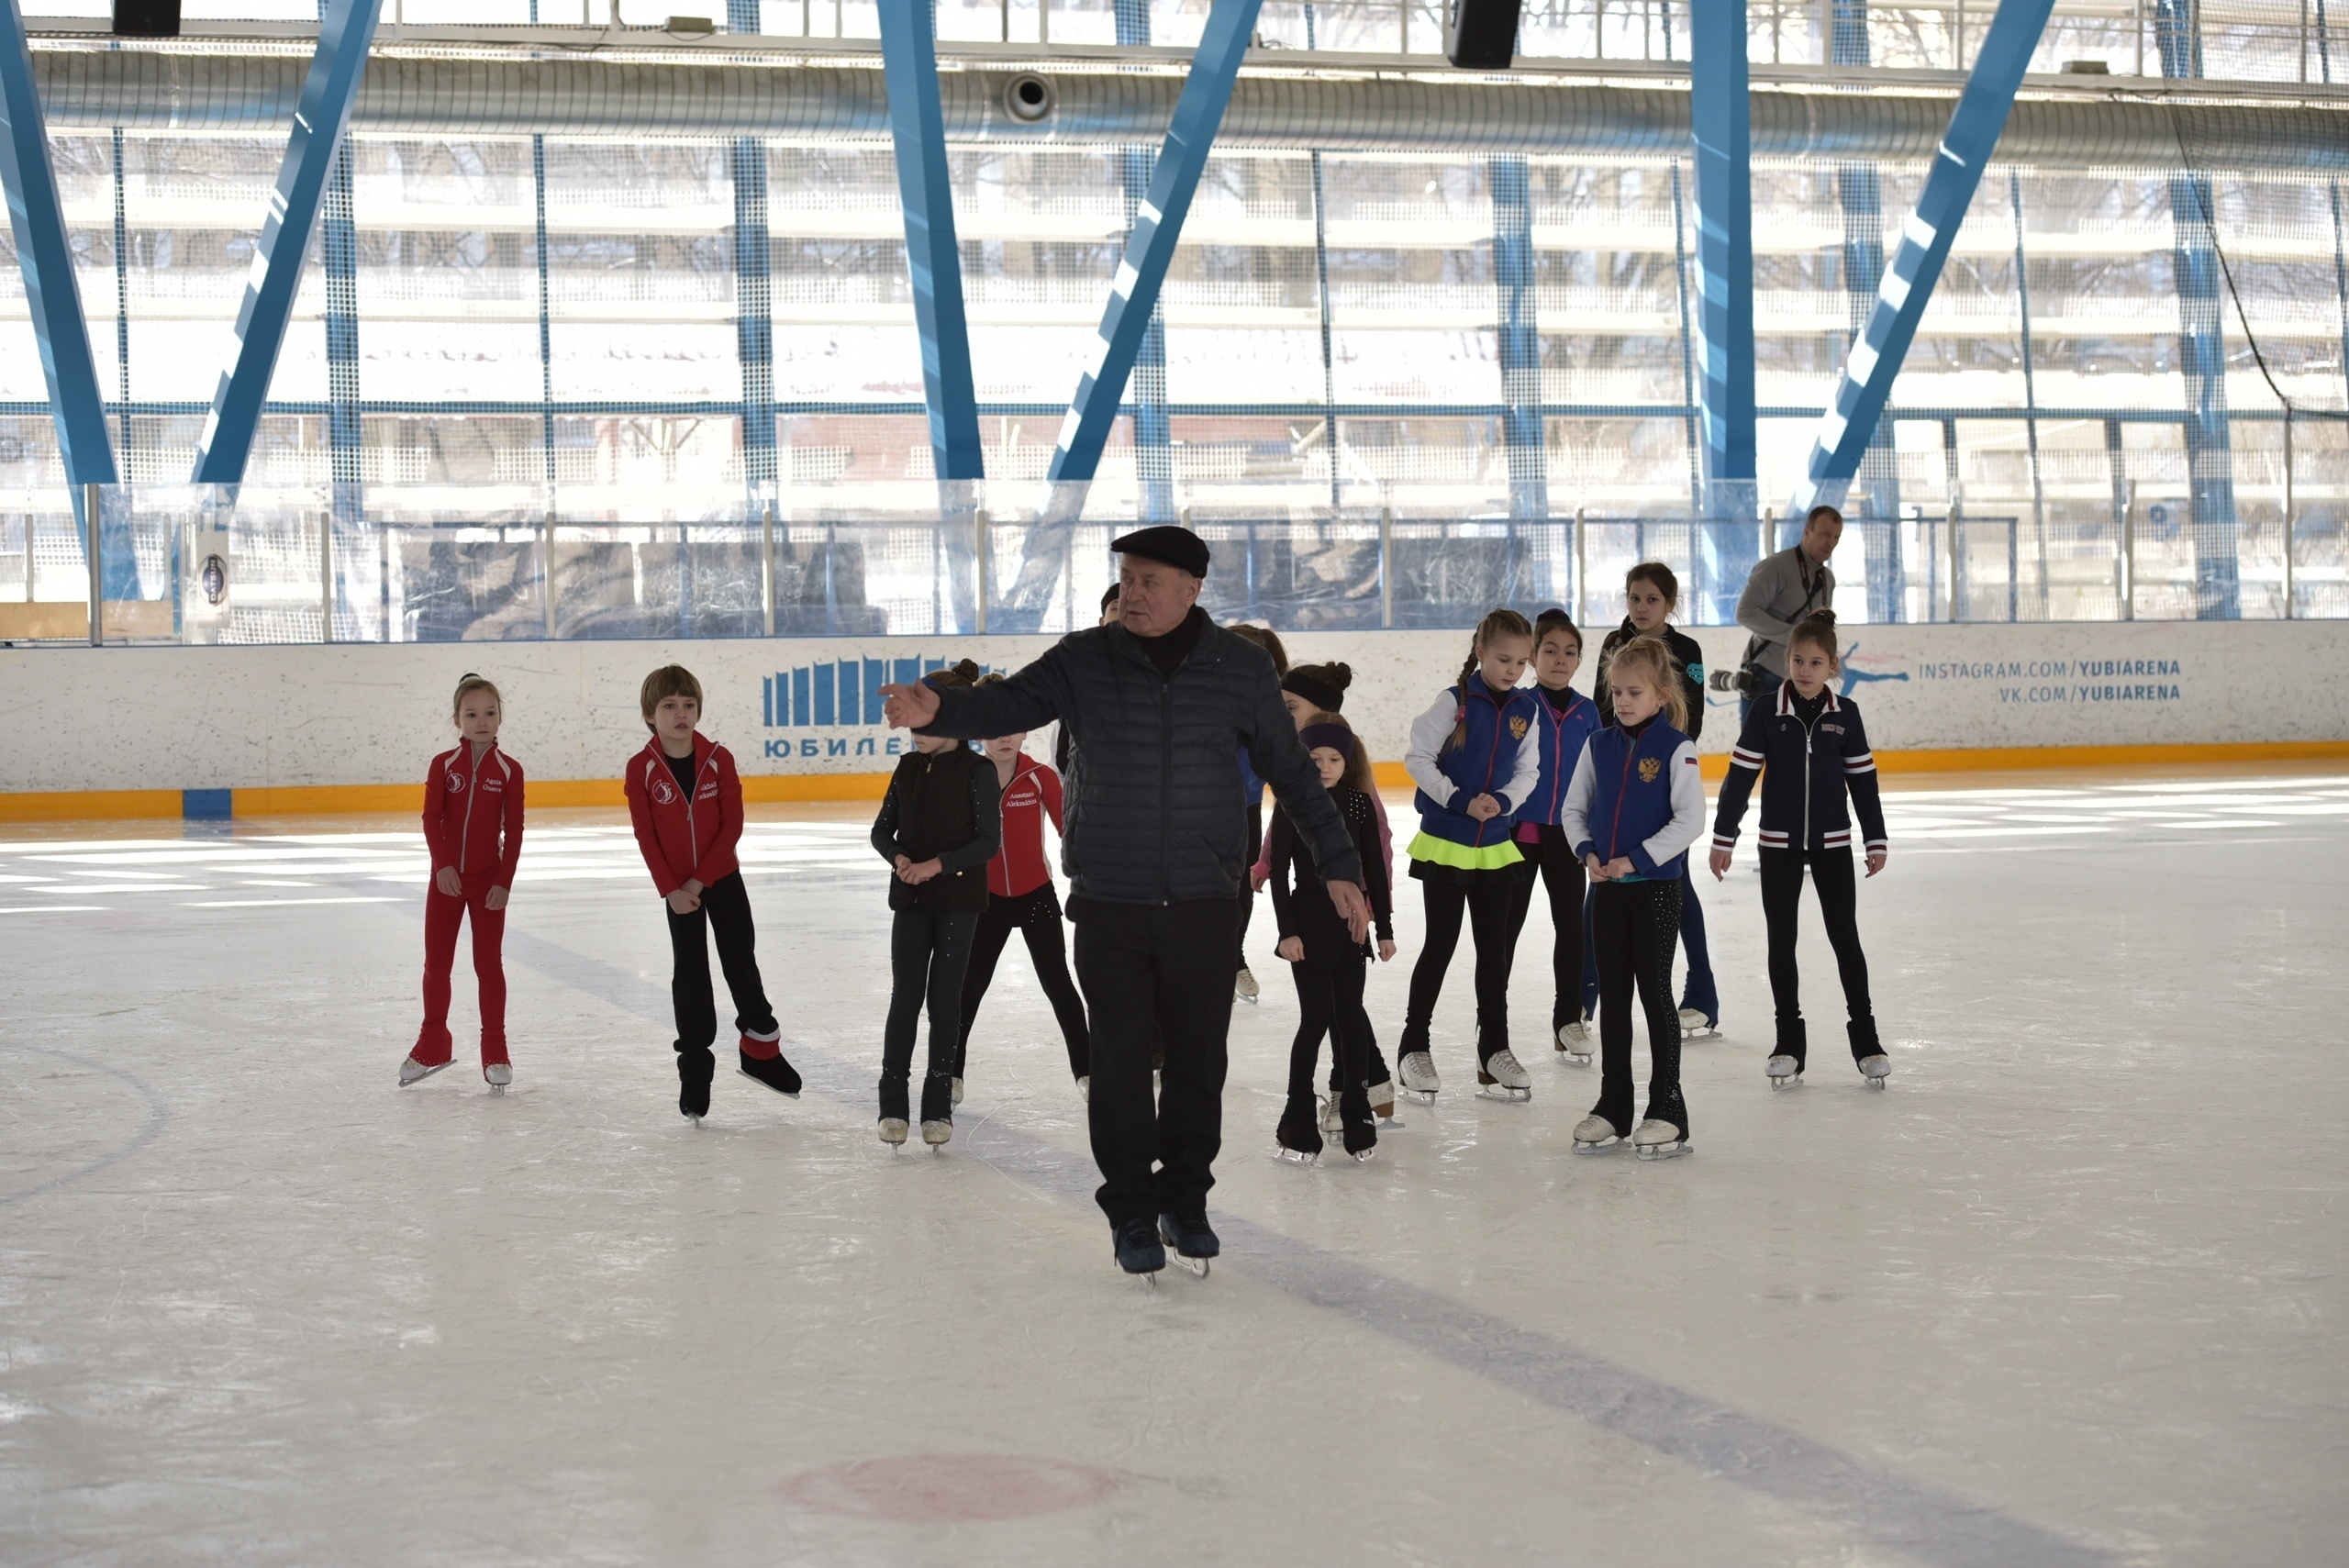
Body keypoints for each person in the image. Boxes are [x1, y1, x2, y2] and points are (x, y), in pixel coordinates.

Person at [880, 525, 1367, 1281]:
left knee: (1198, 1061)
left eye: (1150, 581)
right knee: (1119, 1063)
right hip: (1110, 895)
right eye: (1127, 579)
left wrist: (1339, 863)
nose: (1133, 593)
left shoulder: (1238, 669)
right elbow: (1009, 701)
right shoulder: (1085, 658)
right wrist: (936, 709)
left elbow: (1295, 777)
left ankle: (1186, 1199)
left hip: (1207, 897)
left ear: (1192, 589)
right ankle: (1132, 1210)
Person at [1709, 611, 1892, 1088]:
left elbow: (1863, 784)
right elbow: (1740, 779)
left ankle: (1867, 1041)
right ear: (1787, 661)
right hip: (1779, 846)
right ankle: (1788, 1041)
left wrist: (1875, 838)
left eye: (1815, 662)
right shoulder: (1767, 712)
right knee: (1781, 940)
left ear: (1832, 665)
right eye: (1796, 660)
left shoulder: (1845, 714)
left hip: (1833, 845)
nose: (1804, 670)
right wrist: (1724, 837)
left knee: (1845, 940)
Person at [626, 663, 801, 1122]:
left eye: (688, 705)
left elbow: (731, 826)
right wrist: (671, 889)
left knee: (741, 963)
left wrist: (699, 881)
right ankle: (695, 1072)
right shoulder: (640, 768)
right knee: (691, 976)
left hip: (721, 879)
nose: (681, 713)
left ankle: (761, 1053)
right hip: (676, 891)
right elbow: (645, 834)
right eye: (669, 706)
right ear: (650, 714)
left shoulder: (719, 758)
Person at [1563, 636, 1706, 1159]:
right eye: (1617, 692)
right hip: (1606, 892)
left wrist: (1637, 859)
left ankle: (1667, 1107)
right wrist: (1587, 852)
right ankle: (1612, 1105)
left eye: (1635, 692)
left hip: (1655, 892)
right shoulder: (1597, 744)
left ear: (1661, 695)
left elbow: (1690, 820)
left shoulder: (1676, 748)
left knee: (1654, 994)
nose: (1623, 701)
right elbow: (1573, 808)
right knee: (1614, 997)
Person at [1396, 607, 1541, 1105]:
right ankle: (1414, 1045)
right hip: (1447, 840)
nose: (1513, 670)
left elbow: (1529, 772)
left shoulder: (1527, 709)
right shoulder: (1453, 701)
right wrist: (1460, 800)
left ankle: (1493, 1049)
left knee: (1494, 949)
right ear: (1480, 652)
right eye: (1504, 659)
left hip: (1496, 844)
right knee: (1441, 942)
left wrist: (1501, 803)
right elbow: (1417, 758)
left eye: (1522, 663)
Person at [1254, 660, 1398, 1121]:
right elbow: (1288, 829)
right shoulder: (1301, 768)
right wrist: (1263, 862)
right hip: (1311, 912)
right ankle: (1364, 1083)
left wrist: (1373, 905)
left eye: (1290, 707)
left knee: (1343, 1007)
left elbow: (1378, 848)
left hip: (1350, 910)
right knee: (1332, 1006)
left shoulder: (1353, 789)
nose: (1281, 716)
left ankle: (1356, 1085)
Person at [870, 662, 1001, 1149]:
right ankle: (891, 1105)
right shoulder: (906, 768)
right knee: (905, 996)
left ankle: (937, 1106)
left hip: (958, 902)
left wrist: (937, 865)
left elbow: (988, 841)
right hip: (911, 899)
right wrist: (900, 855)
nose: (916, 732)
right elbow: (881, 830)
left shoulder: (978, 771)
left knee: (944, 999)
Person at [1592, 562, 1721, 1039]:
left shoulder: (1687, 651)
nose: (1641, 607)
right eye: (1634, 598)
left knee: (1676, 885)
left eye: (1651, 599)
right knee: (1602, 886)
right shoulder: (1612, 644)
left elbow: (1696, 718)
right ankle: (1587, 995)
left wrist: (1656, 761)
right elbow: (1601, 711)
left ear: (1671, 603)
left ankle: (1702, 993)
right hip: (1616, 776)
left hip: (1662, 779)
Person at [956, 683, 1090, 1103]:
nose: (1003, 737)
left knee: (1059, 983)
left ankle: (1087, 1073)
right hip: (984, 901)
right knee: (970, 988)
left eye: (1011, 726)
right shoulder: (965, 778)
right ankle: (951, 1074)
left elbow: (1071, 832)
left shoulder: (1040, 776)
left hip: (1036, 897)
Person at [402, 673, 524, 1092]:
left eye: (490, 712)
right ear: (458, 719)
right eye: (472, 714)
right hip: (447, 883)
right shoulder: (443, 765)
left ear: (500, 716)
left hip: (489, 884)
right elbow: (430, 818)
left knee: (488, 966)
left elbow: (517, 830)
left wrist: (504, 880)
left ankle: (496, 1051)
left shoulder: (510, 771)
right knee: (436, 966)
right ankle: (433, 1042)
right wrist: (443, 866)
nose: (482, 721)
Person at [1504, 610, 1601, 1062]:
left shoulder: (1589, 711)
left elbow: (1598, 775)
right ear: (1532, 657)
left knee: (1572, 929)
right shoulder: (1517, 704)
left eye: (1569, 652)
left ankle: (1568, 1019)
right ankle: (1493, 1019)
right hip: (1519, 833)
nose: (1559, 660)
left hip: (1567, 835)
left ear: (1580, 660)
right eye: (1549, 650)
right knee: (1506, 929)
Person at [1227, 623, 1290, 1006]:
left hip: (1248, 805)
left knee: (1241, 885)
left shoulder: (1273, 706)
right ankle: (1213, 960)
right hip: (1199, 807)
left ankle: (1233, 958)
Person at [1734, 504, 1842, 725]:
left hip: (1804, 682)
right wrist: (1795, 639)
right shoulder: (1777, 566)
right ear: (1807, 532)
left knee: (1796, 755)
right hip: (1765, 676)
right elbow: (1745, 612)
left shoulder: (1827, 580)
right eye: (1824, 534)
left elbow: (1822, 631)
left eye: (1836, 537)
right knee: (1754, 753)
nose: (1830, 542)